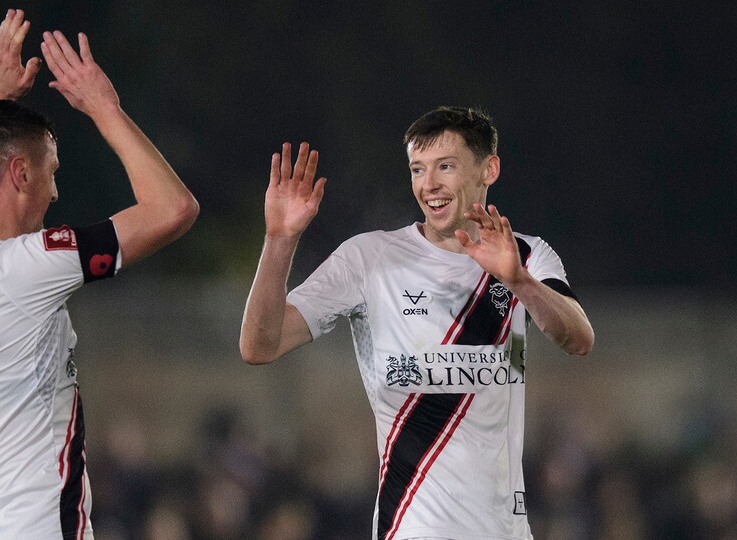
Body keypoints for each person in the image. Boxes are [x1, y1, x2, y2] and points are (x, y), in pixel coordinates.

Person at [0, 10, 198, 540]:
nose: (55, 193)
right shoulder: (22, 268)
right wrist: (104, 108)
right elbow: (174, 210)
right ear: (20, 173)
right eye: (52, 172)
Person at [239, 107, 594, 540]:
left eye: (445, 166)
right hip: (410, 528)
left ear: (489, 169)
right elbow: (259, 346)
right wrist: (280, 240)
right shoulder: (369, 259)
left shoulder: (526, 256)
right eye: (417, 169)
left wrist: (518, 280)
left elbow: (578, 338)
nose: (429, 185)